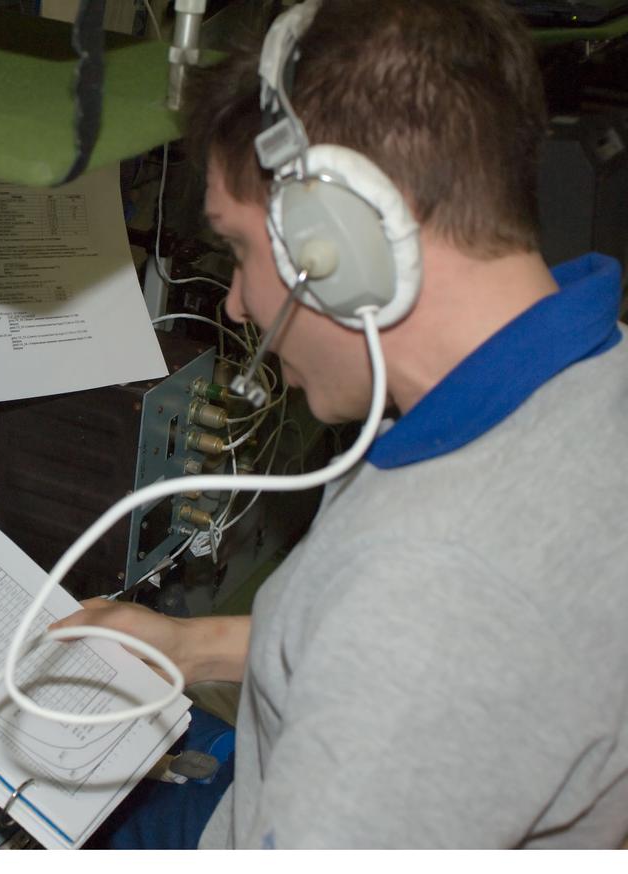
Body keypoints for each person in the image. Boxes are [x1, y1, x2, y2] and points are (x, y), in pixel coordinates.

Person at [57, 0, 628, 848]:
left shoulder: (435, 589)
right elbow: (364, 650)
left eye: (243, 252)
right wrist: (186, 646)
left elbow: (405, 638)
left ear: (344, 243)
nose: (239, 304)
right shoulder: (584, 369)